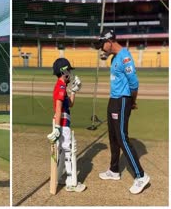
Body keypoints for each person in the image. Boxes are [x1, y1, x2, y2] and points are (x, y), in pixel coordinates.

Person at [94, 29, 150, 194]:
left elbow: (134, 84)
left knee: (122, 137)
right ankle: (114, 170)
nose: (101, 49)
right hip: (113, 100)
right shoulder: (115, 57)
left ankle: (141, 176)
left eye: (102, 46)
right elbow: (117, 71)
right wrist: (108, 55)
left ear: (110, 41)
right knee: (112, 136)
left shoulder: (125, 57)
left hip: (123, 101)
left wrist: (132, 102)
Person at [47, 58, 85, 192]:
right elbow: (58, 108)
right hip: (62, 124)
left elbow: (70, 104)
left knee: (63, 151)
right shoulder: (60, 87)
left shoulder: (62, 87)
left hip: (63, 124)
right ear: (64, 72)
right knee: (69, 150)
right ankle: (71, 182)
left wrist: (74, 90)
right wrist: (57, 128)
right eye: (68, 70)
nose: (70, 73)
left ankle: (61, 177)